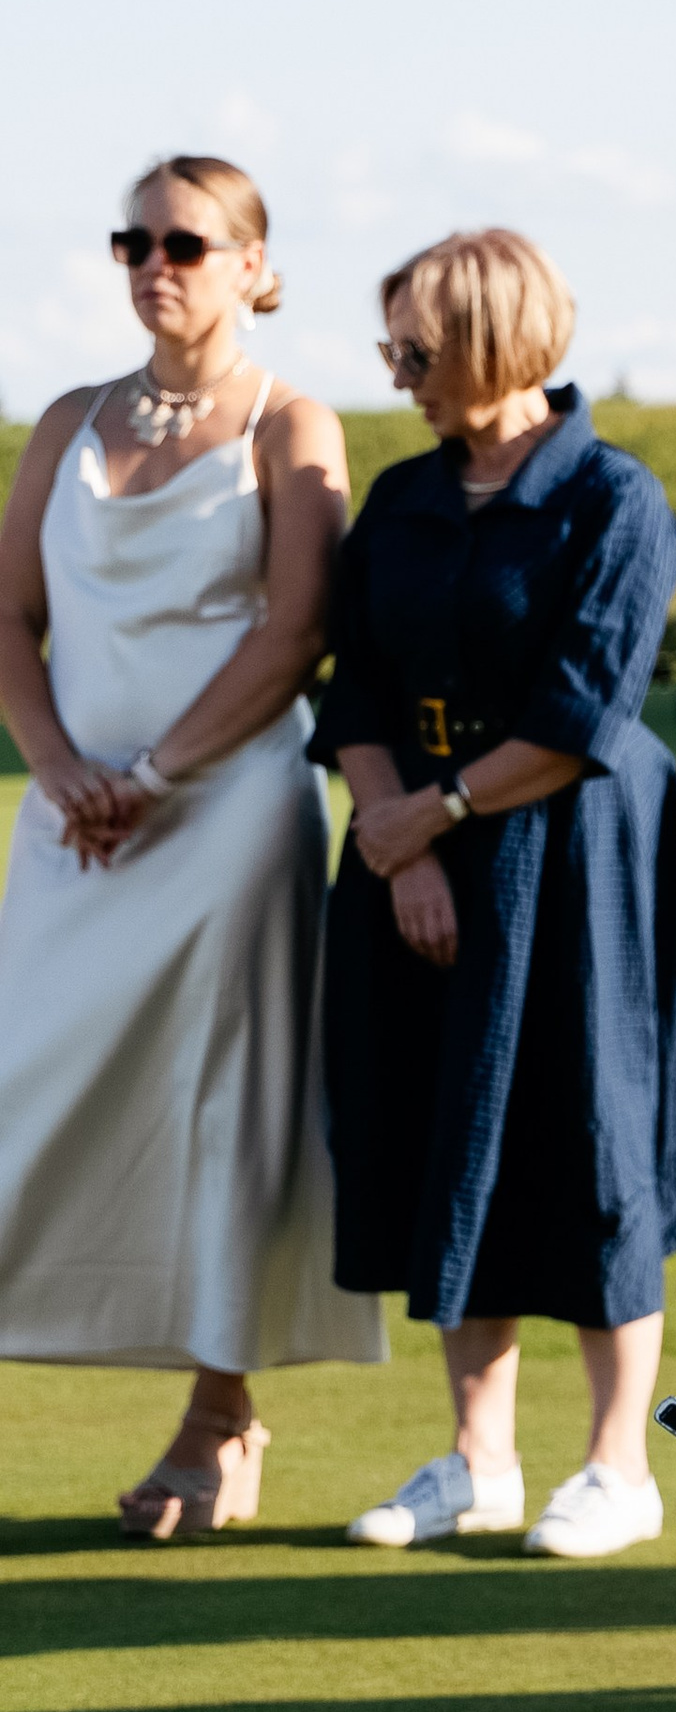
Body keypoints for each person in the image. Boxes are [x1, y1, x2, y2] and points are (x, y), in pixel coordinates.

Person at [316, 227, 676, 1561]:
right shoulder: (398, 501)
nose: (397, 371)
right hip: (416, 849)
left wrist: (431, 817)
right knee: (450, 1126)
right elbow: (358, 691)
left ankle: (619, 1465)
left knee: (593, 1126)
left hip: (575, 853)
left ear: (494, 340)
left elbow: (581, 709)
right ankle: (477, 1459)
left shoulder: (614, 497)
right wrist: (399, 842)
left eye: (416, 347)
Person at [0, 157, 381, 1530]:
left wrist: (156, 774)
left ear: (254, 266)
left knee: (218, 1115)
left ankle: (220, 1417)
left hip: (224, 820)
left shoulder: (296, 423)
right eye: (133, 240)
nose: (155, 261)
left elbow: (298, 631)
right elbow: (7, 618)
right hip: (69, 816)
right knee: (19, 1094)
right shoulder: (65, 421)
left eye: (186, 240)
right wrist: (60, 768)